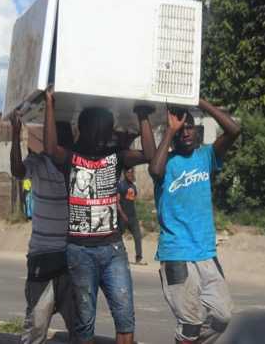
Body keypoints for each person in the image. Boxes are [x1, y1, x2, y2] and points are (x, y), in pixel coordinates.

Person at [44, 88, 156, 344]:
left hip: (112, 250)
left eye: (107, 129)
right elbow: (50, 148)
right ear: (83, 129)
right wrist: (50, 103)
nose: (104, 134)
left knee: (126, 318)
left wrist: (143, 115)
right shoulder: (70, 158)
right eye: (100, 129)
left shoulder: (116, 157)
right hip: (79, 251)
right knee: (84, 324)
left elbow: (149, 155)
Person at [148, 99, 240, 344]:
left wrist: (200, 102)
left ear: (197, 130)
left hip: (206, 254)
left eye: (189, 126)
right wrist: (170, 129)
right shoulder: (166, 162)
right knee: (190, 323)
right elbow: (154, 172)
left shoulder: (206, 156)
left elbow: (234, 130)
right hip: (176, 253)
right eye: (181, 128)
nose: (185, 131)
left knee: (222, 316)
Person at [11, 113, 77, 344]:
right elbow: (17, 171)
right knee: (37, 324)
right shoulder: (38, 163)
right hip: (43, 256)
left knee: (79, 326)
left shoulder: (78, 166)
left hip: (72, 258)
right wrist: (14, 135)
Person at [117, 167, 146, 265]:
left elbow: (132, 201)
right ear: (125, 173)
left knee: (137, 236)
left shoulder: (133, 186)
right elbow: (117, 202)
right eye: (128, 172)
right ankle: (121, 255)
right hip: (122, 216)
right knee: (118, 237)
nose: (130, 174)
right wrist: (122, 214)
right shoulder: (121, 185)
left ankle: (139, 258)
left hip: (132, 217)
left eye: (132, 172)